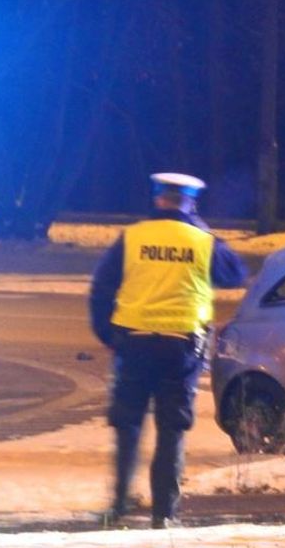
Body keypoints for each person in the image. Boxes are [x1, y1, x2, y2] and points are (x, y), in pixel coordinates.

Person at [89, 172, 247, 528]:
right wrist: (205, 231)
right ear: (190, 202)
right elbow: (236, 274)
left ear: (158, 199)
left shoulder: (132, 238)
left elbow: (101, 288)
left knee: (128, 424)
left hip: (133, 344)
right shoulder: (203, 241)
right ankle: (164, 514)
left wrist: (108, 335)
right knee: (171, 429)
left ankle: (118, 505)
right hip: (181, 349)